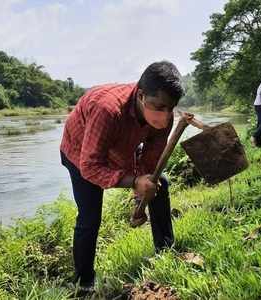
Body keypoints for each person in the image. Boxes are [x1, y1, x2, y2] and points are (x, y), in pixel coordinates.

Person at [60, 61, 184, 294]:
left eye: (171, 107)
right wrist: (135, 181)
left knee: (160, 184)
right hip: (80, 153)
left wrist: (141, 199)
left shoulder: (163, 114)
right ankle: (83, 283)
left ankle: (166, 250)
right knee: (90, 214)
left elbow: (151, 160)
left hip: (119, 145)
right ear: (141, 95)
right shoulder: (106, 109)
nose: (166, 115)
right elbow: (90, 166)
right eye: (159, 106)